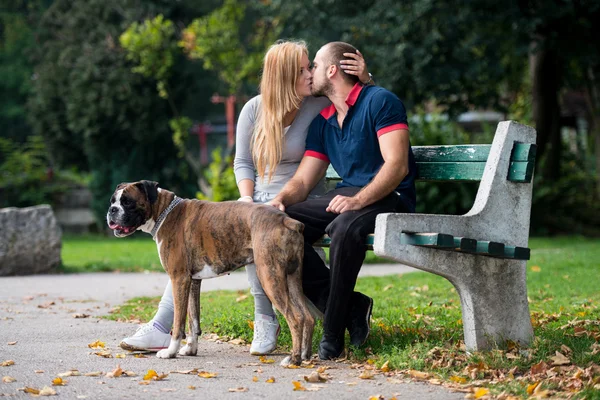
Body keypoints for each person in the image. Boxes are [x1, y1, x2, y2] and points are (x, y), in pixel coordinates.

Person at [119, 40, 372, 355]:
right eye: (304, 69)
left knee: (258, 228)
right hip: (257, 198)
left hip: (298, 197)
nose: (310, 74)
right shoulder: (254, 109)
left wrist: (366, 77)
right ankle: (166, 325)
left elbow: (360, 105)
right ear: (285, 75)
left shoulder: (318, 105)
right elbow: (243, 163)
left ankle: (263, 316)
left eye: (311, 67)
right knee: (189, 248)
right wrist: (245, 196)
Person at [268, 41, 416, 360]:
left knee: (345, 227)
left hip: (391, 198)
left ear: (332, 70)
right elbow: (304, 180)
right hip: (350, 196)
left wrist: (358, 200)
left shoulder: (380, 101)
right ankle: (351, 307)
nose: (310, 73)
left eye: (315, 67)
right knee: (279, 227)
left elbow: (397, 165)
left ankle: (331, 337)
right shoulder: (323, 122)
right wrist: (279, 202)